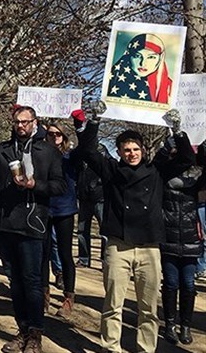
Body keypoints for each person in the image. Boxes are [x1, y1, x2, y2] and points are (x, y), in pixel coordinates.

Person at [75, 105, 196, 353]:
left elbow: (187, 159)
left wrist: (178, 130)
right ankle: (111, 347)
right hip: (119, 245)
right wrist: (95, 120)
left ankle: (145, 349)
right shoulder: (111, 170)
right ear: (119, 152)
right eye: (126, 150)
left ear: (143, 150)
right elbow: (87, 151)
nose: (132, 153)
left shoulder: (156, 172)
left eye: (136, 149)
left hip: (149, 247)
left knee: (148, 307)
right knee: (112, 304)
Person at [0, 106, 65, 353]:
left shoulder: (49, 151)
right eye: (17, 122)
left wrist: (35, 185)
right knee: (15, 282)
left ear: (34, 122)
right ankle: (22, 331)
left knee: (32, 281)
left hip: (33, 224)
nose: (20, 126)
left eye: (25, 122)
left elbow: (59, 186)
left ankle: (35, 334)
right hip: (5, 223)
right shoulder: (1, 150)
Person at [158, 132, 204, 345]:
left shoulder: (198, 175)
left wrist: (201, 138)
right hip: (168, 236)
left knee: (188, 284)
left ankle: (185, 325)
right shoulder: (164, 172)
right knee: (171, 283)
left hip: (191, 237)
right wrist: (170, 142)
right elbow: (160, 161)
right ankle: (169, 324)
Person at [41, 122, 79, 319]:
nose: (54, 137)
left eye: (58, 134)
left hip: (64, 210)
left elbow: (87, 146)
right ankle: (44, 295)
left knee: (65, 253)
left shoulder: (70, 157)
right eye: (50, 134)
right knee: (43, 253)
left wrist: (81, 124)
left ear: (64, 138)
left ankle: (68, 298)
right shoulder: (40, 154)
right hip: (44, 208)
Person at [107, 33, 173, 103]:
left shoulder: (169, 88)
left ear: (161, 58)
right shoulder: (113, 79)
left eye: (151, 57)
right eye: (137, 56)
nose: (143, 63)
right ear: (129, 54)